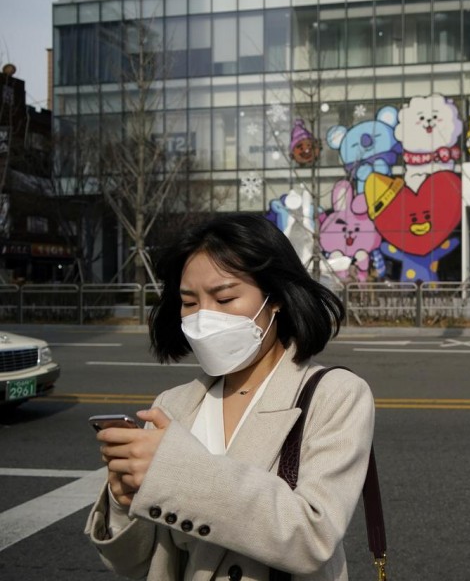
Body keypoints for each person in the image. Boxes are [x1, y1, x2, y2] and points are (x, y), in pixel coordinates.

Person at [85, 213, 375, 581]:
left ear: (276, 300)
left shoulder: (335, 395)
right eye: (189, 302)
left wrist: (175, 473)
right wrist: (124, 502)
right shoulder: (170, 406)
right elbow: (138, 565)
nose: (205, 317)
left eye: (225, 297)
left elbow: (312, 538)